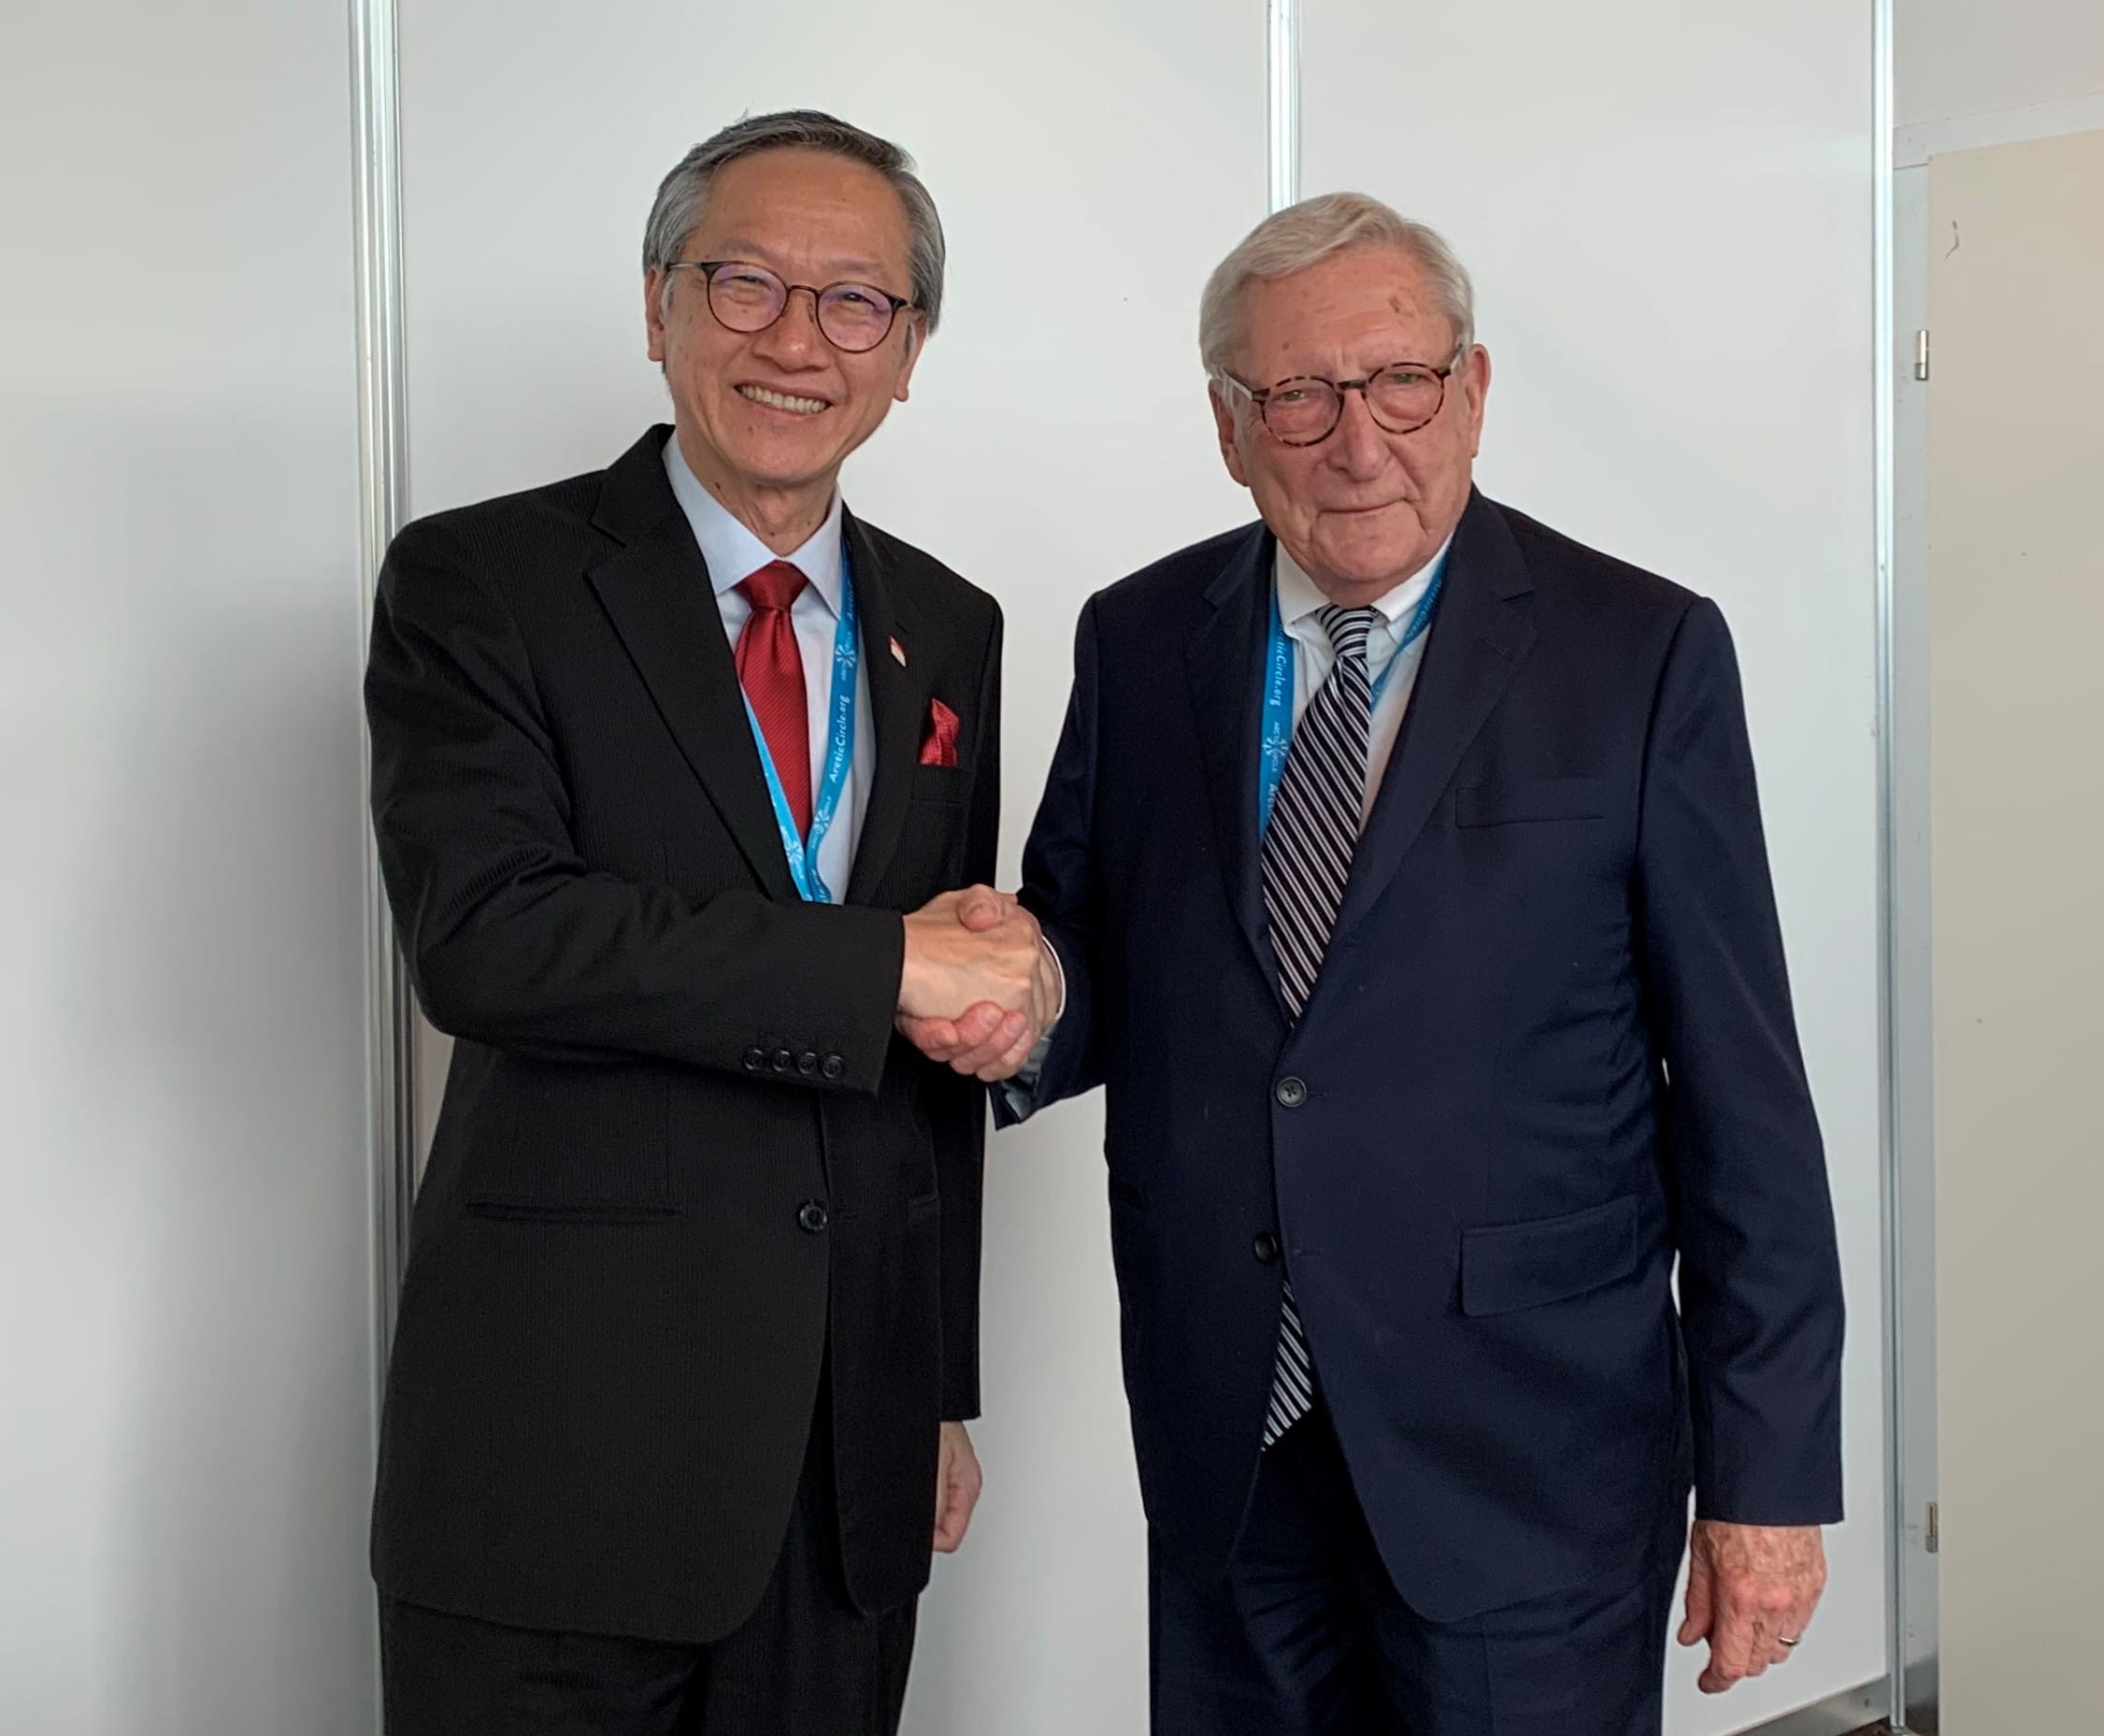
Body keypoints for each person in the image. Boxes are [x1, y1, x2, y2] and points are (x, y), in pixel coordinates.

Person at [909, 192, 1846, 1734]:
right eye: (1298, 395)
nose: (1358, 440)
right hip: (1230, 1435)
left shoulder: (1642, 651)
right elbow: (1088, 950)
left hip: (1524, 1457)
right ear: (1228, 425)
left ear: (1470, 393)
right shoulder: (1139, 640)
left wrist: (1765, 1481)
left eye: (1400, 381)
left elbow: (1741, 1090)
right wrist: (1024, 1002)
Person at [365, 109, 1056, 1736]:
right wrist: (884, 962)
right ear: (660, 303)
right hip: (557, 1454)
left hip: (842, 1464)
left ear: (909, 350)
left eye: (854, 302)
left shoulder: (948, 627)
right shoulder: (482, 581)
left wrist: (935, 1386)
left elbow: (927, 1067)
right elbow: (491, 936)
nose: (794, 339)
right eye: (743, 282)